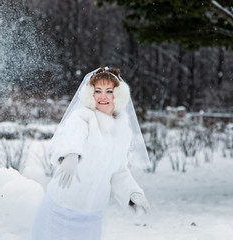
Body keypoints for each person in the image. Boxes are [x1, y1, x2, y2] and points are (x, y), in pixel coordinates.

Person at [31, 67, 151, 240]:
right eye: (98, 91)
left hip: (91, 216)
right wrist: (71, 154)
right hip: (59, 209)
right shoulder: (83, 117)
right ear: (90, 94)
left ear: (118, 95)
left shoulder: (123, 131)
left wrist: (133, 193)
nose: (103, 96)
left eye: (109, 91)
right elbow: (71, 134)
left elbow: (118, 170)